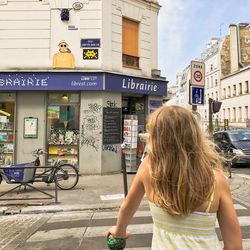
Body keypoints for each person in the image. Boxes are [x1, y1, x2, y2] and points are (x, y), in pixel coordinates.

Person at [107, 105, 242, 250]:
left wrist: (119, 231)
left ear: (157, 138)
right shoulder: (216, 180)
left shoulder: (149, 168)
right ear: (195, 135)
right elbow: (234, 246)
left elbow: (128, 206)